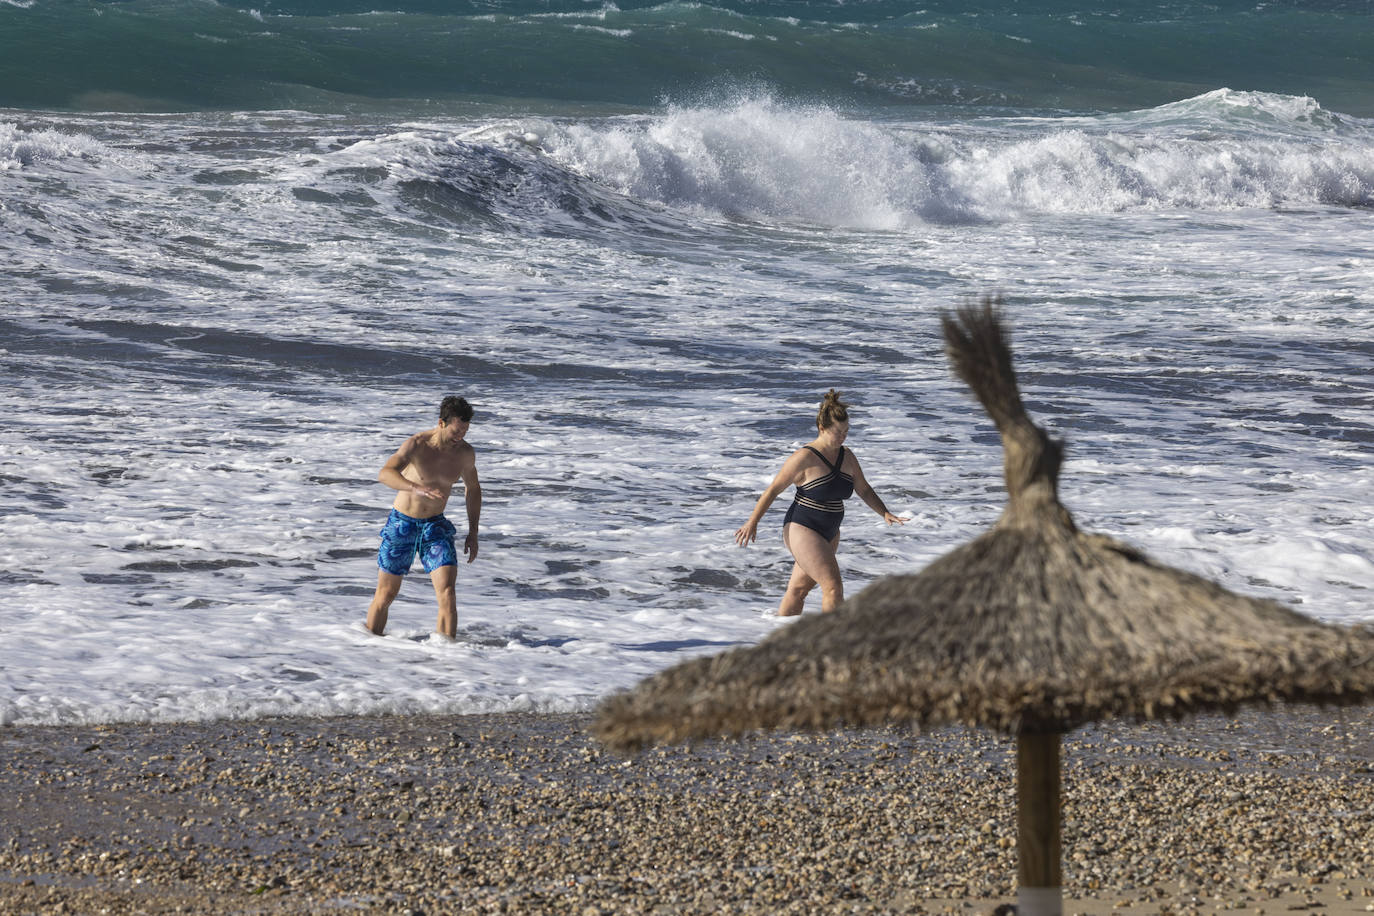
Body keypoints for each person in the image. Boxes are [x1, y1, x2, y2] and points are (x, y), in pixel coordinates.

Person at [735, 390, 905, 616]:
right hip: (803, 528)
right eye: (837, 432)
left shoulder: (848, 456)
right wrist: (752, 522)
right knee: (833, 587)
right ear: (822, 428)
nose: (843, 437)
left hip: (831, 531)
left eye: (846, 432)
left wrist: (884, 512)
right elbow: (772, 491)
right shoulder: (803, 458)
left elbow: (863, 488)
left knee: (798, 590)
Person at [365, 396, 481, 639]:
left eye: (465, 431)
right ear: (441, 423)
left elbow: (473, 489)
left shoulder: (465, 453)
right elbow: (385, 473)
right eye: (456, 431)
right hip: (402, 524)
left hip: (435, 527)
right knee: (385, 595)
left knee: (447, 593)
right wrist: (414, 487)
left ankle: (448, 658)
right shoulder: (417, 445)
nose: (460, 437)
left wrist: (473, 532)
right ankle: (367, 647)